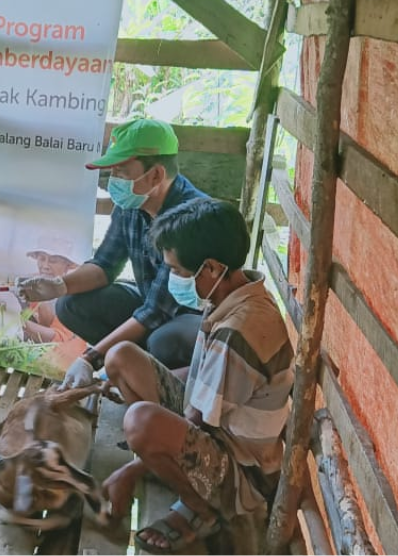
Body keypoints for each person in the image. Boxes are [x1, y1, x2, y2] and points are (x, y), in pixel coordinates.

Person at [100, 199, 294, 552]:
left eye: (178, 270)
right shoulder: (234, 296)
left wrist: (131, 470)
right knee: (121, 358)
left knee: (141, 423)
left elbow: (198, 421)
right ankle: (164, 461)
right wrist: (142, 382)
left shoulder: (239, 331)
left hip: (243, 473)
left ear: (211, 268)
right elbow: (204, 380)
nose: (174, 277)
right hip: (216, 424)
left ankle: (200, 508)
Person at [16, 119, 208, 390]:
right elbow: (105, 265)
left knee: (162, 339)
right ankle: (135, 364)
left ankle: (162, 383)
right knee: (70, 304)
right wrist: (57, 286)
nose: (113, 181)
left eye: (121, 172)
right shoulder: (132, 204)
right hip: (150, 304)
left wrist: (90, 358)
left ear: (155, 175)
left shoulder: (189, 219)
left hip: (192, 320)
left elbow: (157, 311)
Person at [20, 238, 88, 370]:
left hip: (64, 364)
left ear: (67, 265)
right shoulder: (31, 282)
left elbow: (58, 338)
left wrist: (18, 322)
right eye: (41, 258)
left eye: (53, 261)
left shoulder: (74, 297)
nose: (45, 266)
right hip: (34, 357)